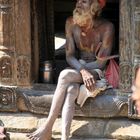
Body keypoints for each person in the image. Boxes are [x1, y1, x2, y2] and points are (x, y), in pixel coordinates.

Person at [27, 0, 114, 139]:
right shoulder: (71, 22)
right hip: (78, 69)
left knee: (64, 75)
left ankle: (47, 127)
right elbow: (69, 56)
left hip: (96, 71)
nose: (78, 4)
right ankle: (65, 137)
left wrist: (82, 70)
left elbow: (101, 63)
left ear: (94, 7)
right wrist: (82, 71)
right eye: (78, 1)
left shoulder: (107, 27)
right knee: (70, 90)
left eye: (84, 1)